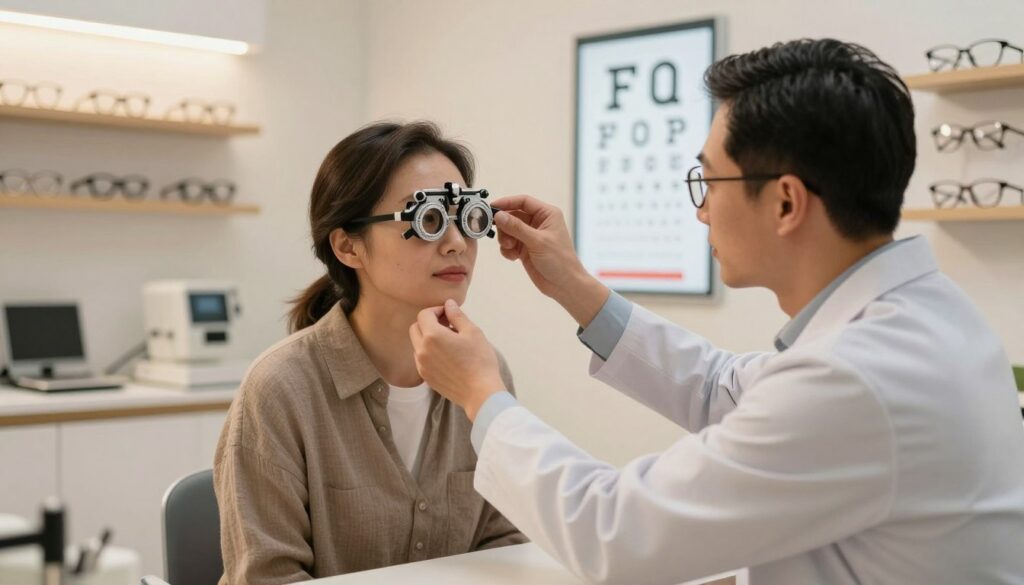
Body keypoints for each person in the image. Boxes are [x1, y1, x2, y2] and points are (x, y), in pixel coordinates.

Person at [408, 39, 1024, 584]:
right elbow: (722, 388)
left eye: (709, 183)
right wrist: (575, 286)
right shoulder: (926, 319)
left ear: (786, 202)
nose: (700, 211)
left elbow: (614, 534)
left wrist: (482, 395)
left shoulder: (857, 378)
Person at [214, 121, 525, 585]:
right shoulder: (281, 388)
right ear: (348, 246)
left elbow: (504, 546)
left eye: (467, 218)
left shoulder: (484, 369)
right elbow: (268, 577)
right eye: (430, 220)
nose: (457, 242)